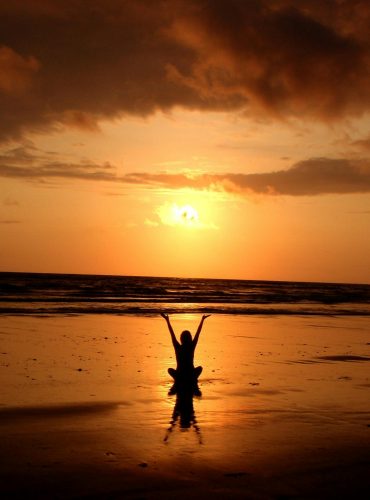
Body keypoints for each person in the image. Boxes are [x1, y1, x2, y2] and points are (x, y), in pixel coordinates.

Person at [161, 313, 210, 387]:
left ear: (181, 339)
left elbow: (172, 334)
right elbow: (198, 333)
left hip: (180, 374)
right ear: (190, 338)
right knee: (200, 368)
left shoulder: (178, 347)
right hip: (191, 374)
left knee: (170, 370)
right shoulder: (191, 346)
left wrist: (167, 320)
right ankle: (191, 379)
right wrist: (202, 320)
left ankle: (181, 379)